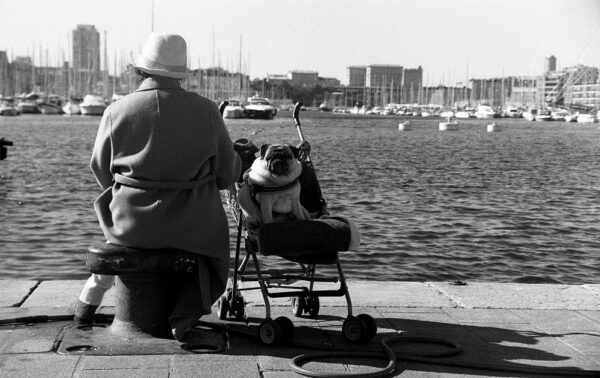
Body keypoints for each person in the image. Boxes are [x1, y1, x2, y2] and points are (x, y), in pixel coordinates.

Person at [73, 32, 241, 341]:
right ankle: (186, 311)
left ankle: (87, 310)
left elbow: (99, 168)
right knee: (215, 244)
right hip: (194, 227)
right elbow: (227, 174)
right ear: (180, 71)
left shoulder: (116, 111)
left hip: (131, 225)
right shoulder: (207, 112)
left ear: (141, 69)